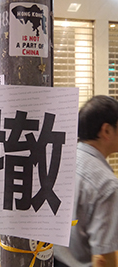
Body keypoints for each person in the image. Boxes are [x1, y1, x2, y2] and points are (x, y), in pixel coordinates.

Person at [54, 95, 118, 267]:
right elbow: (103, 256)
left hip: (50, 257)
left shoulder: (59, 158)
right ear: (106, 131)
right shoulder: (106, 184)